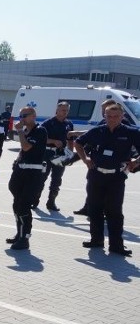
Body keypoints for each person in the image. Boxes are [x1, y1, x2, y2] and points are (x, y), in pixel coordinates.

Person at [74, 102, 140, 256]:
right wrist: (85, 160)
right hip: (96, 175)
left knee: (114, 211)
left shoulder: (131, 132)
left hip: (116, 177)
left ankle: (116, 245)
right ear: (105, 116)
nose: (111, 119)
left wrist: (136, 162)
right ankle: (96, 240)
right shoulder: (98, 131)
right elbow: (78, 143)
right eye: (108, 116)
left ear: (122, 117)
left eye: (115, 116)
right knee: (94, 209)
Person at [6, 106, 47, 250]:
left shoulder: (40, 131)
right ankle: (19, 233)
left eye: (25, 115)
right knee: (16, 204)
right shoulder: (25, 131)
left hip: (32, 173)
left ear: (33, 116)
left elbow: (27, 147)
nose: (22, 119)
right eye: (20, 116)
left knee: (24, 205)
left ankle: (25, 238)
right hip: (20, 171)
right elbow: (22, 152)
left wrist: (19, 131)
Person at [37, 101, 74, 212]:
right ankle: (35, 200)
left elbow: (70, 140)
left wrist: (70, 155)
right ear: (57, 110)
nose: (65, 112)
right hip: (47, 153)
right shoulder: (48, 123)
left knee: (57, 179)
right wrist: (53, 141)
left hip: (60, 154)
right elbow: (39, 138)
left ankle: (51, 202)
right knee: (41, 178)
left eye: (67, 110)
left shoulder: (69, 124)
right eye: (63, 110)